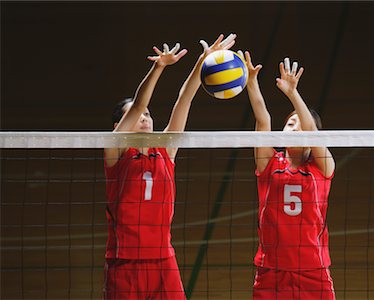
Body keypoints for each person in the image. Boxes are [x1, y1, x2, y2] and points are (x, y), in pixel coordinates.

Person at [103, 33, 237, 300]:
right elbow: (141, 102)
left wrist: (203, 62)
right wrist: (158, 67)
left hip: (164, 260)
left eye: (148, 115)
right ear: (118, 127)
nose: (144, 118)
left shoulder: (165, 151)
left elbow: (183, 100)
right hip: (124, 262)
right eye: (137, 116)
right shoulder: (115, 152)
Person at [240, 50, 336, 299]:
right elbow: (263, 121)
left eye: (299, 124)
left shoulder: (322, 168)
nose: (293, 127)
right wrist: (252, 83)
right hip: (272, 271)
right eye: (289, 123)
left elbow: (313, 133)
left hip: (313, 270)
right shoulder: (269, 163)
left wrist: (293, 94)